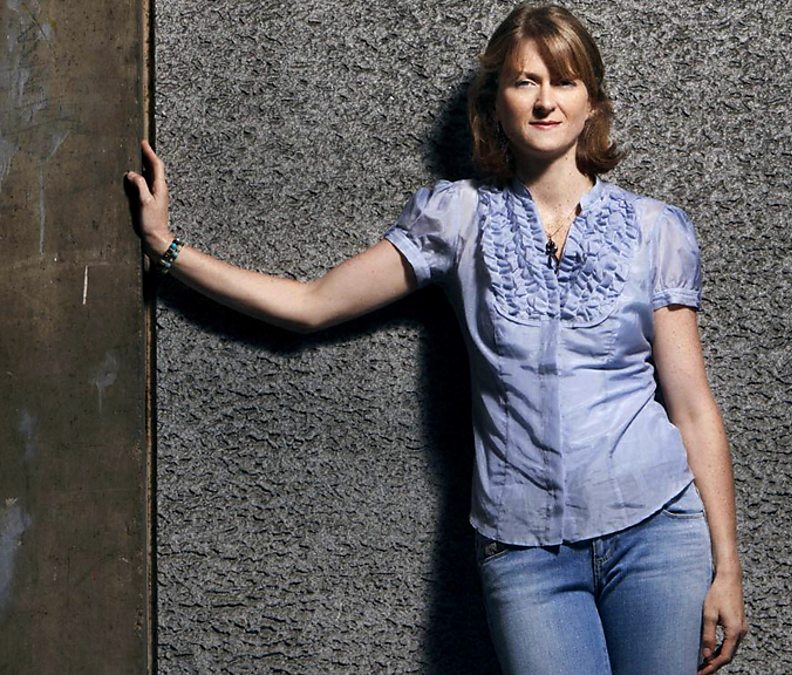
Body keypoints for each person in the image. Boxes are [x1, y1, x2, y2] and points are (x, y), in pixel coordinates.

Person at [125, 4, 746, 673]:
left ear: (592, 101)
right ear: (496, 103)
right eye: (524, 81)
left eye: (564, 82)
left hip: (658, 534)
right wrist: (168, 249)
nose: (545, 101)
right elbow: (311, 304)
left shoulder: (655, 230)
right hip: (525, 551)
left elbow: (691, 406)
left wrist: (727, 567)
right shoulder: (457, 216)